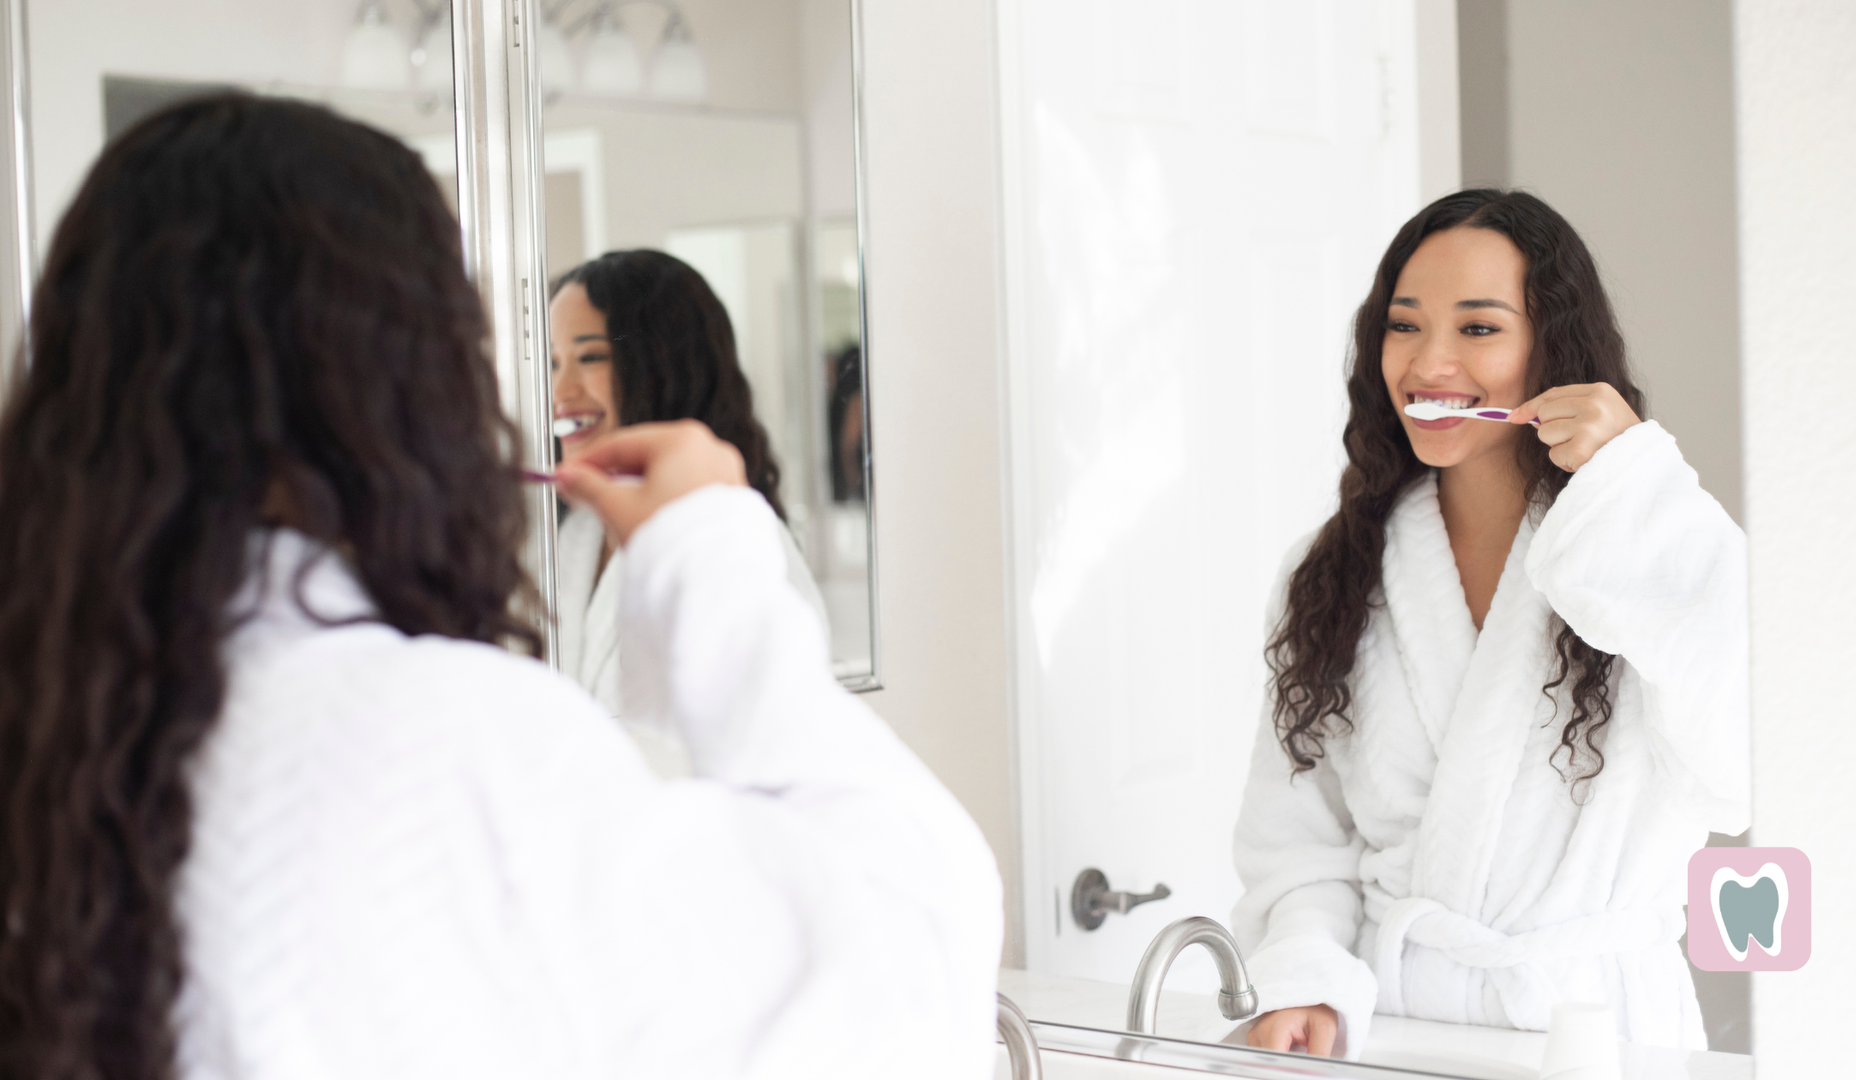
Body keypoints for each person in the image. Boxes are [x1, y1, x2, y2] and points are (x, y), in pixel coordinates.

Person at [0, 94, 1000, 1080]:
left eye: (589, 360)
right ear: (400, 377)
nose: (557, 389)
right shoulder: (430, 740)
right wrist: (708, 553)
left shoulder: (60, 712)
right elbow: (910, 965)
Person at [1232, 190, 1749, 1058]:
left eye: (1478, 329)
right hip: (1402, 1026)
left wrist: (1630, 488)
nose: (1430, 362)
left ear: (1551, 346)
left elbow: (1740, 767)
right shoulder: (1333, 574)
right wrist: (1308, 980)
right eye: (1405, 326)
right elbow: (1299, 845)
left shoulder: (1641, 538)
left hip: (1597, 1030)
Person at [548, 250, 829, 775]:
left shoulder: (745, 545)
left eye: (589, 358)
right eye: (553, 363)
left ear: (660, 365)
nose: (561, 392)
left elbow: (781, 740)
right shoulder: (573, 538)